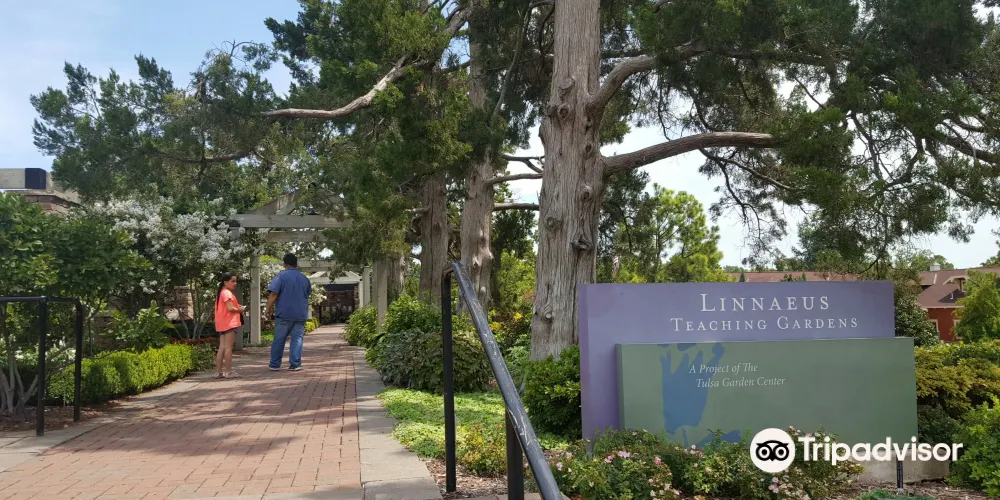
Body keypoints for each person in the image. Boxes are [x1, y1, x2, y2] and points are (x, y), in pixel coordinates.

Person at [265, 253, 312, 371]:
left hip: (284, 313)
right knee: (297, 339)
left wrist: (268, 308)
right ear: (296, 264)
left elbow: (274, 294)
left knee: (279, 339)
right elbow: (307, 294)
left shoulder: (281, 276)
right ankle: (295, 364)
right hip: (300, 314)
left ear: (285, 264)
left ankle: (275, 364)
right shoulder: (305, 279)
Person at [214, 273, 247, 379]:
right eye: (233, 281)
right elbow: (230, 308)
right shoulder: (227, 293)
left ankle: (218, 372)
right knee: (228, 348)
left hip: (222, 323)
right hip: (230, 323)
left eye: (235, 281)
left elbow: (227, 307)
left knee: (222, 347)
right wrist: (240, 310)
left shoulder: (221, 293)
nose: (235, 283)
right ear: (225, 282)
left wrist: (237, 306)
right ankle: (228, 372)